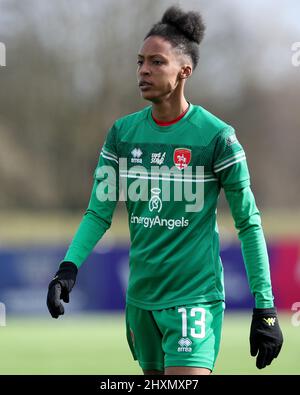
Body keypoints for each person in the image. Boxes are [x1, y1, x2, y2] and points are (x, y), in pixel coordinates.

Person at [47, 5, 283, 375]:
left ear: (184, 71)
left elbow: (248, 224)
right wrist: (68, 268)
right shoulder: (122, 135)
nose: (143, 70)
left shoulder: (217, 138)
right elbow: (98, 212)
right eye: (140, 61)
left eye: (156, 62)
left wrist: (265, 307)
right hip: (140, 302)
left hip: (195, 299)